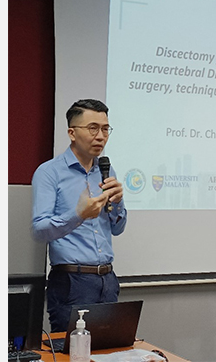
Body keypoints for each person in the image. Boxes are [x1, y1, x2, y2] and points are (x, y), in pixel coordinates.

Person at [31, 99, 127, 332]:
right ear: (72, 133)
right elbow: (39, 230)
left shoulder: (106, 171)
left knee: (109, 348)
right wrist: (78, 215)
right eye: (93, 128)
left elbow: (117, 229)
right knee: (72, 348)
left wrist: (118, 203)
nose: (101, 136)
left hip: (107, 280)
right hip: (71, 282)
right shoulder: (49, 172)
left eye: (105, 129)